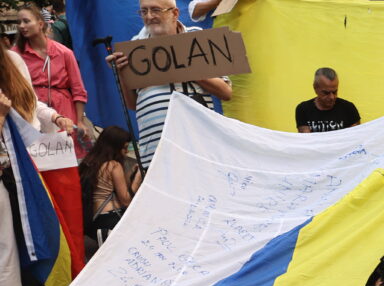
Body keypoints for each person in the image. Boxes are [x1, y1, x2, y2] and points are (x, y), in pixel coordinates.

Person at [0, 49, 74, 286]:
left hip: (26, 170)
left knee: (32, 243)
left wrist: (55, 116)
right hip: (11, 173)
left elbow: (30, 106)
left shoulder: (11, 61)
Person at [106, 0, 233, 170]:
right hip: (155, 151)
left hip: (199, 147)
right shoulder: (134, 48)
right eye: (144, 11)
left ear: (175, 13)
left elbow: (226, 92)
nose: (149, 16)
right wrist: (121, 74)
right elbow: (132, 104)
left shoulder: (196, 38)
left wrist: (183, 66)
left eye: (155, 10)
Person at [13, 2, 88, 154]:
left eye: (26, 21)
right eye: (19, 22)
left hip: (63, 110)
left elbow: (78, 89)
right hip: (32, 110)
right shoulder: (15, 54)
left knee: (67, 160)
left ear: (40, 24)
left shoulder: (64, 52)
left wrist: (79, 121)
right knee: (39, 161)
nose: (21, 25)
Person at [79, 126, 141, 246]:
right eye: (124, 148)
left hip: (93, 222)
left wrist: (130, 174)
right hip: (110, 220)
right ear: (114, 147)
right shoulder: (113, 165)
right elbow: (126, 200)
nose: (126, 152)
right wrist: (138, 177)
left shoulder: (89, 163)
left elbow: (111, 188)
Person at [295, 68, 360, 133]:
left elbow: (354, 138)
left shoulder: (348, 108)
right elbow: (306, 139)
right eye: (326, 93)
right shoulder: (303, 109)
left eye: (335, 92)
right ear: (315, 88)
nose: (332, 97)